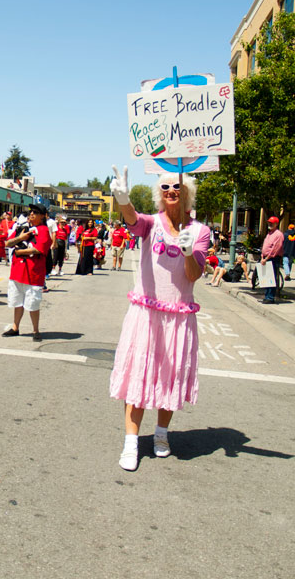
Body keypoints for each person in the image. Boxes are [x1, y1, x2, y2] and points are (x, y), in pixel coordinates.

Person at [108, 167, 210, 472]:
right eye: (165, 186)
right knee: (138, 376)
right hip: (146, 314)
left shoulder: (201, 231)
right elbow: (134, 221)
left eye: (177, 186)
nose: (171, 190)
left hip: (178, 318)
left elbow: (193, 276)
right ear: (159, 193)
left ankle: (162, 434)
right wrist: (123, 198)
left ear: (187, 192)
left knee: (170, 377)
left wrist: (190, 251)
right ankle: (130, 443)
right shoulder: (151, 224)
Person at [2, 203, 51, 341]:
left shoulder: (43, 230)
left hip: (33, 272)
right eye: (31, 212)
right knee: (17, 301)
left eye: (35, 212)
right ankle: (15, 327)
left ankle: (36, 330)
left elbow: (39, 249)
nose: (31, 214)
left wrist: (20, 251)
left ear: (43, 216)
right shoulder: (22, 228)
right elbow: (7, 242)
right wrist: (20, 238)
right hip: (18, 271)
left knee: (32, 303)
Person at [261, 216, 284, 304]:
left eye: (272, 223)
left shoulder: (278, 235)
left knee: (271, 278)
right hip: (266, 258)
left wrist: (266, 258)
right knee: (266, 278)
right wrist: (262, 257)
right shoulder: (269, 234)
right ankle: (267, 296)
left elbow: (275, 249)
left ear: (276, 224)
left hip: (272, 259)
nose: (270, 224)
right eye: (269, 222)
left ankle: (270, 297)